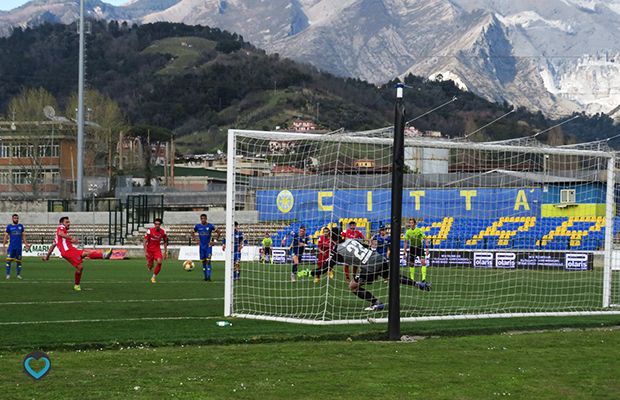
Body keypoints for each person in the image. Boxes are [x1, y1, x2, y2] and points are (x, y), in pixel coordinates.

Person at [299, 227, 430, 310]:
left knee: (353, 287)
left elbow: (324, 268)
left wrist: (310, 272)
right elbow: (366, 247)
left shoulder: (337, 251)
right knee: (391, 276)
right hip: (377, 257)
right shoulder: (352, 240)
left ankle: (376, 303)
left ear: (331, 239)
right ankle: (417, 283)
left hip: (368, 267)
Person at [41, 216, 112, 290]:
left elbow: (52, 247)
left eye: (69, 222)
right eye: (67, 222)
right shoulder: (61, 228)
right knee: (80, 266)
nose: (69, 224)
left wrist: (47, 257)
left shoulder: (58, 237)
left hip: (72, 250)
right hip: (68, 251)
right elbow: (60, 233)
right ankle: (76, 285)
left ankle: (104, 255)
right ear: (61, 223)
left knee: (85, 254)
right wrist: (72, 238)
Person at [191, 214, 220, 282]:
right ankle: (205, 277)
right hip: (201, 246)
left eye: (204, 218)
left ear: (206, 219)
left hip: (208, 246)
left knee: (208, 261)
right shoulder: (198, 226)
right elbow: (192, 232)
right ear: (200, 219)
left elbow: (218, 232)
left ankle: (209, 277)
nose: (203, 219)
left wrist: (214, 241)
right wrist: (196, 240)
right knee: (203, 262)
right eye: (202, 218)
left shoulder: (210, 226)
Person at [403, 219, 430, 283]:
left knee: (423, 262)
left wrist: (427, 248)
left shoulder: (419, 230)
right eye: (410, 223)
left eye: (412, 222)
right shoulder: (408, 232)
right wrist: (404, 252)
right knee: (412, 264)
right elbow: (406, 242)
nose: (411, 224)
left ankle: (423, 279)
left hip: (419, 248)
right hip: (412, 248)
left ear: (415, 223)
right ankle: (412, 279)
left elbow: (425, 238)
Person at [3, 214, 30, 279]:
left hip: (19, 246)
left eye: (17, 218)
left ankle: (18, 275)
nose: (16, 219)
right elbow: (6, 236)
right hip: (11, 246)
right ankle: (8, 274)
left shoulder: (21, 226)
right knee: (8, 260)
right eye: (15, 218)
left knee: (19, 261)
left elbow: (23, 235)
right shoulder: (9, 227)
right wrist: (4, 244)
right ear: (12, 219)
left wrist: (26, 243)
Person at [144, 218, 168, 283]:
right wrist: (145, 251)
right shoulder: (150, 231)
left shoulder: (163, 232)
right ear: (154, 224)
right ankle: (149, 265)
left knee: (159, 262)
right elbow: (145, 241)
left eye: (158, 224)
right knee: (151, 265)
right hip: (150, 250)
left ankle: (153, 277)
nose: (157, 225)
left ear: (160, 224)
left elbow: (165, 242)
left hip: (157, 249)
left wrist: (165, 252)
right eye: (156, 224)